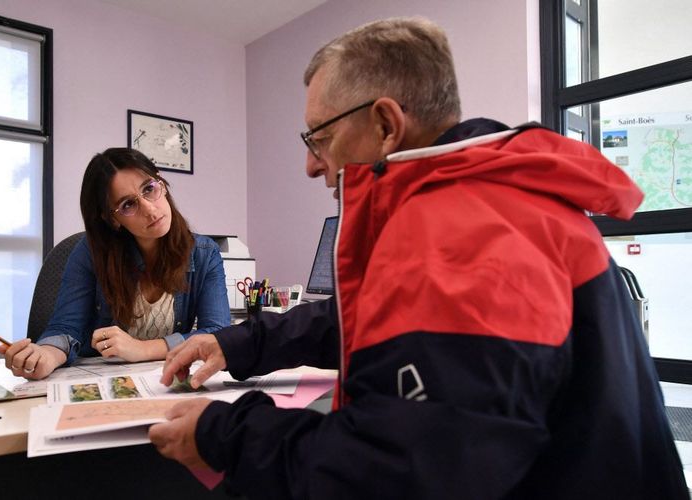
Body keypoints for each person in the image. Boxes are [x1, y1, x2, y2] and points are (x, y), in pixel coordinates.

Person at [149, 17, 687, 499]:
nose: (313, 167)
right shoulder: (490, 197)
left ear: (385, 124)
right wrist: (238, 341)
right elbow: (380, 320)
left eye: (322, 138)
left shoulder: (461, 235)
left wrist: (225, 435)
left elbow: (405, 472)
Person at [0, 148, 230, 380]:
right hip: (101, 381)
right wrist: (46, 355)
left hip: (167, 382)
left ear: (162, 183)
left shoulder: (204, 253)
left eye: (149, 189)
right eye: (128, 205)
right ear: (112, 219)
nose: (150, 210)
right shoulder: (90, 252)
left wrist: (143, 349)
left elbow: (218, 333)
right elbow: (66, 327)